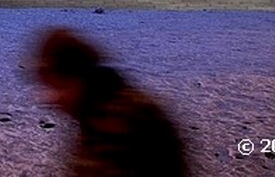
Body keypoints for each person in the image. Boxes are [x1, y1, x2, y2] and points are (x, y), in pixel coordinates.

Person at [35, 28, 188, 176]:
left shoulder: (117, 121)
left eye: (58, 87)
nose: (52, 99)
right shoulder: (97, 111)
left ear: (76, 79)